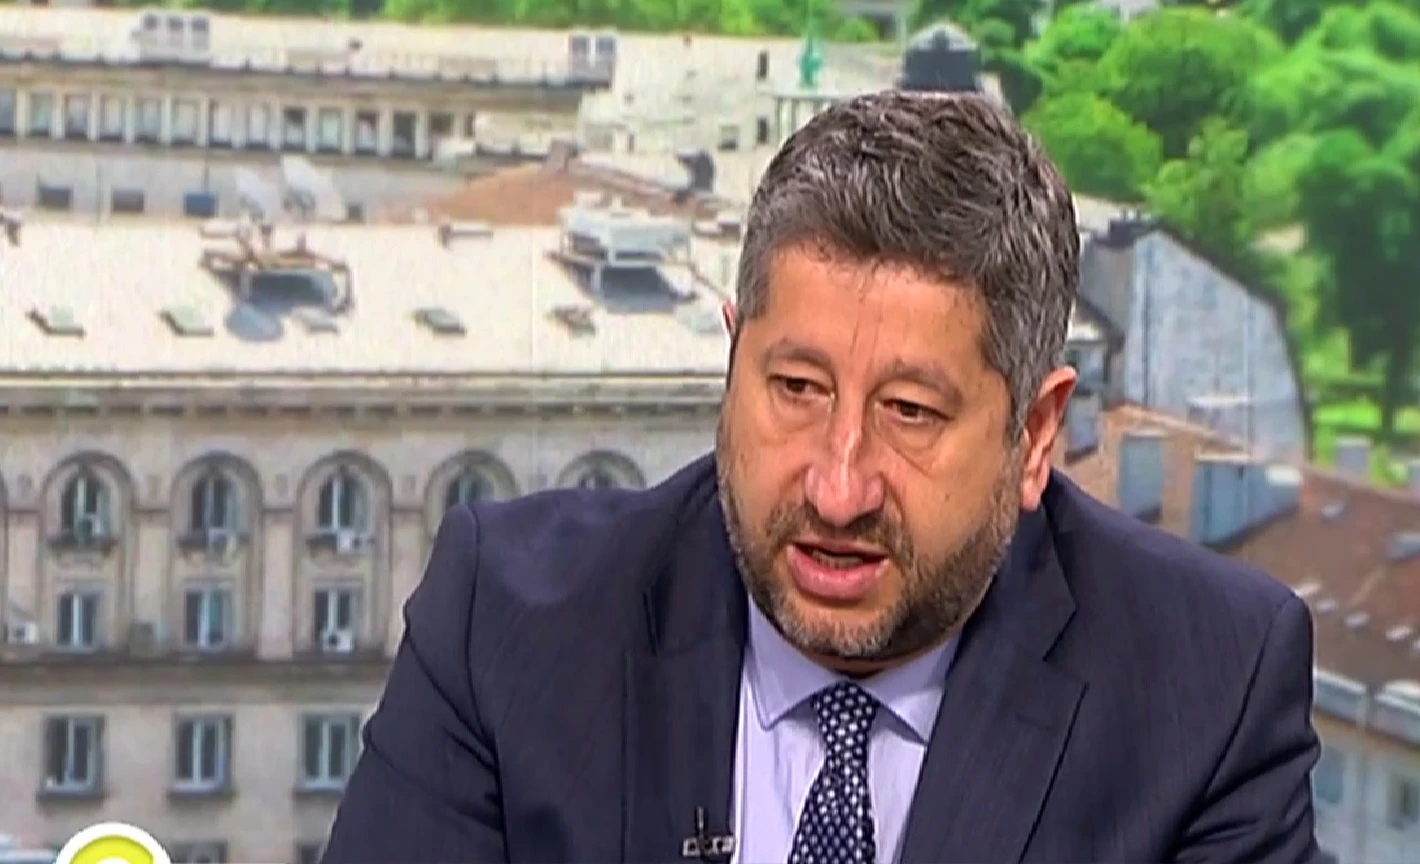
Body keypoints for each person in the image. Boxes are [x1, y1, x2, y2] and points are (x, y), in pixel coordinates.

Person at [321, 91, 1322, 864]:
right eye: (796, 389)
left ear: (1033, 434)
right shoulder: (509, 622)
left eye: (910, 412)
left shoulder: (1205, 688)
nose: (838, 490)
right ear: (732, 361)